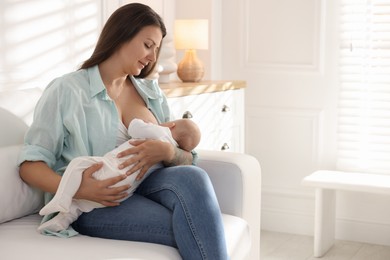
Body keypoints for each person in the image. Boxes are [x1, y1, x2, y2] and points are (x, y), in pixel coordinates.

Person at [18, 3, 228, 260]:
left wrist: (168, 151)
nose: (152, 57)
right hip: (97, 202)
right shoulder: (67, 91)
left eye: (156, 49)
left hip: (150, 183)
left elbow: (189, 158)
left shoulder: (151, 93)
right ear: (122, 35)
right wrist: (78, 189)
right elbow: (30, 165)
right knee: (196, 225)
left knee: (194, 178)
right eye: (148, 45)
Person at [38, 118, 201, 233]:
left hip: (111, 170)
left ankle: (62, 199)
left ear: (171, 125)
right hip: (123, 192)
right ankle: (62, 220)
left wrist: (150, 126)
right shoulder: (165, 150)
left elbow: (134, 126)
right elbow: (190, 157)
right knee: (80, 206)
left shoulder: (161, 131)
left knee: (78, 163)